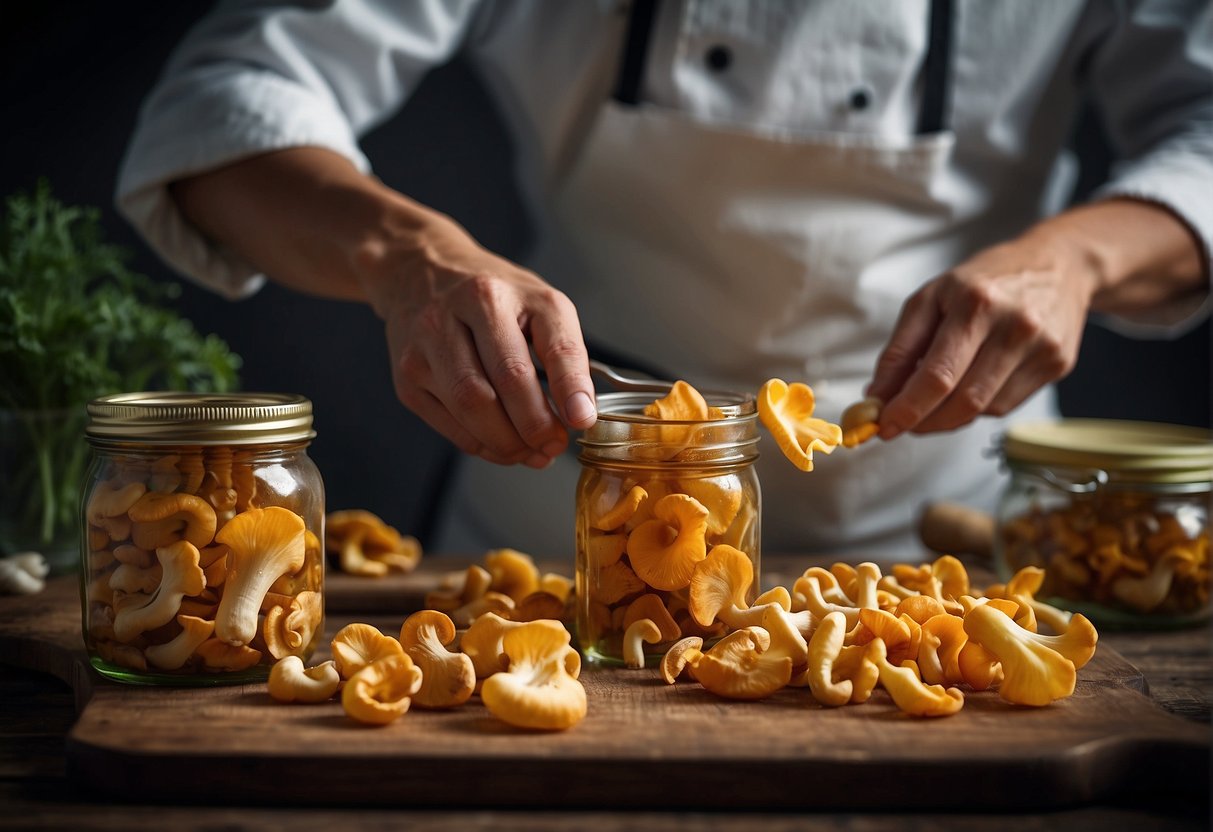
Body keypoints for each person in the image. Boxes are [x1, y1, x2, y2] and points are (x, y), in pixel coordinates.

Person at [117, 0, 1211, 559]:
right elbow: (231, 96)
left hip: (944, 529)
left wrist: (1077, 255)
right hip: (558, 521)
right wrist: (408, 257)